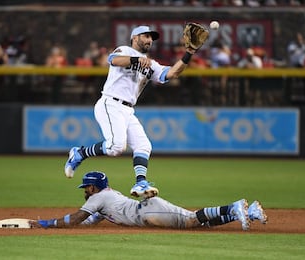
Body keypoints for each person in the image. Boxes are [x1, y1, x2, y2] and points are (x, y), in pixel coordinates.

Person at [64, 25, 203, 199]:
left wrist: (189, 52)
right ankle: (80, 153)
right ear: (135, 37)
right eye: (145, 36)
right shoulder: (125, 50)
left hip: (128, 110)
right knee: (116, 146)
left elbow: (172, 73)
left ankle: (141, 182)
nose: (149, 40)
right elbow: (113, 60)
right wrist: (135, 60)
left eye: (151, 38)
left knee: (144, 145)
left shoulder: (150, 63)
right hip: (110, 103)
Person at [30, 171, 268, 231]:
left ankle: (234, 206)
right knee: (199, 224)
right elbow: (87, 222)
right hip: (147, 211)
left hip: (149, 212)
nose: (85, 190)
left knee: (193, 220)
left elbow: (77, 218)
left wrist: (46, 224)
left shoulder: (98, 197)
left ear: (93, 187)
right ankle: (250, 212)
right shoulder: (104, 200)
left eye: (86, 187)